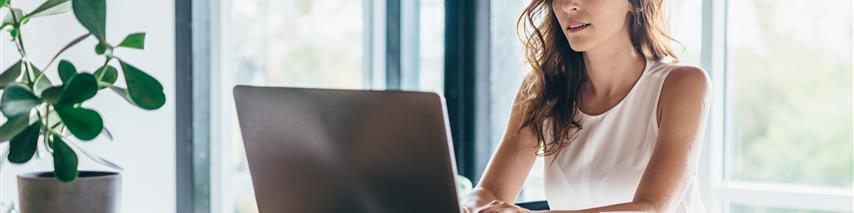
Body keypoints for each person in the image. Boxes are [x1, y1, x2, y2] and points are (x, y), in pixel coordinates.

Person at [460, 0, 710, 212]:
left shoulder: (682, 86)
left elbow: (651, 207)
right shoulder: (542, 91)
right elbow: (490, 191)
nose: (569, 4)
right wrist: (466, 206)